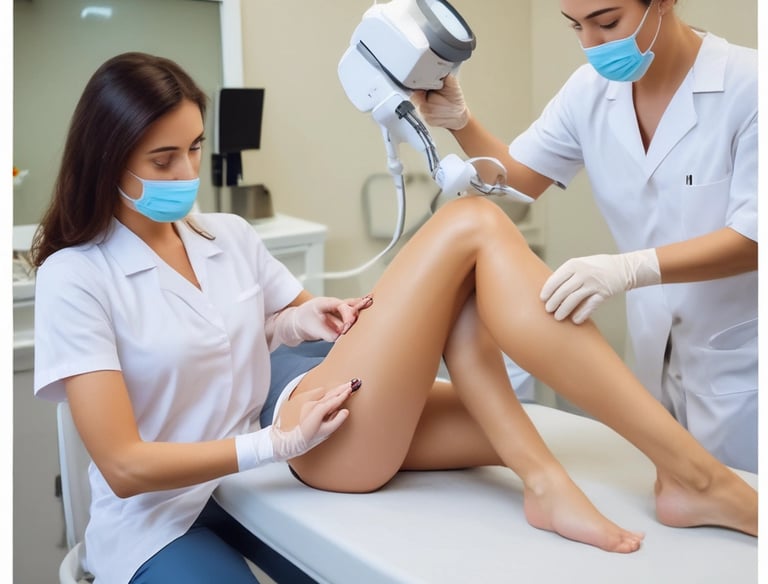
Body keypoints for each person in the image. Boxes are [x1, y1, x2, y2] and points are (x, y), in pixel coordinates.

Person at [31, 52, 756, 584]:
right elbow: (124, 466)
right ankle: (689, 477)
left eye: (193, 150)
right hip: (183, 500)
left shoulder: (225, 237)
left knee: (504, 408)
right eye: (162, 160)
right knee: (473, 223)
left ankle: (585, 481)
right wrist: (275, 446)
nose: (186, 176)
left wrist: (305, 316)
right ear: (108, 160)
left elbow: (269, 316)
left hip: (282, 427)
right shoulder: (77, 276)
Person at [411, 0, 757, 472]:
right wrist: (460, 122)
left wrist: (630, 268)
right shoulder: (590, 92)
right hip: (654, 349)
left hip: (745, 357)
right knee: (679, 491)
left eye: (608, 21)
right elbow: (519, 179)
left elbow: (754, 237)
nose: (592, 44)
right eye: (576, 26)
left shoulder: (750, 86)